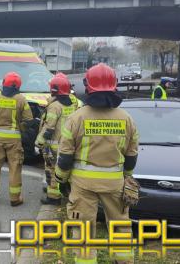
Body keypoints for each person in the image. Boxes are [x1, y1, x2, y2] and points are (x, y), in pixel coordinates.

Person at [55, 64, 139, 264]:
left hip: (83, 185)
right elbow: (131, 156)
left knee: (83, 230)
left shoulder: (77, 118)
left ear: (87, 86)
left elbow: (65, 157)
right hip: (115, 184)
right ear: (114, 85)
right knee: (120, 227)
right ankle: (124, 260)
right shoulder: (127, 119)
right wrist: (127, 176)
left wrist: (61, 179)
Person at [0, 72, 33, 206]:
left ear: (4, 83)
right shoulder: (21, 99)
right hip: (14, 140)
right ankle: (14, 199)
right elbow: (29, 120)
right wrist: (20, 128)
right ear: (18, 85)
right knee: (15, 168)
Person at [36, 73, 79, 205]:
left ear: (54, 89)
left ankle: (53, 198)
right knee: (67, 171)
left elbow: (49, 128)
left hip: (54, 146)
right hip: (69, 144)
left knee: (51, 171)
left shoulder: (55, 106)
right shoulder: (72, 103)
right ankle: (69, 195)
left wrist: (38, 143)